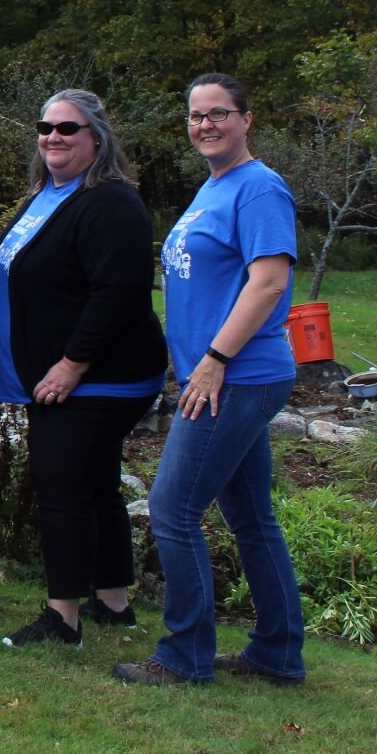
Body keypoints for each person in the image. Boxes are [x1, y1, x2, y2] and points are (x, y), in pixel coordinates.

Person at [115, 74, 305, 686]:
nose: (205, 125)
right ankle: (277, 653)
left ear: (247, 120)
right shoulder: (213, 187)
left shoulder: (258, 189)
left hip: (237, 376)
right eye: (196, 116)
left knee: (172, 509)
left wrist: (215, 358)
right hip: (220, 376)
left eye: (219, 114)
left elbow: (269, 281)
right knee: (251, 518)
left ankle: (183, 656)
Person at [0, 89, 166, 646]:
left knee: (60, 483)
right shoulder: (51, 193)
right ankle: (113, 600)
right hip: (64, 372)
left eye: (68, 128)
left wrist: (71, 364)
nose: (53, 137)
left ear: (97, 138)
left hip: (99, 376)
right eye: (46, 127)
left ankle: (63, 617)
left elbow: (117, 293)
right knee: (95, 483)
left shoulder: (110, 202)